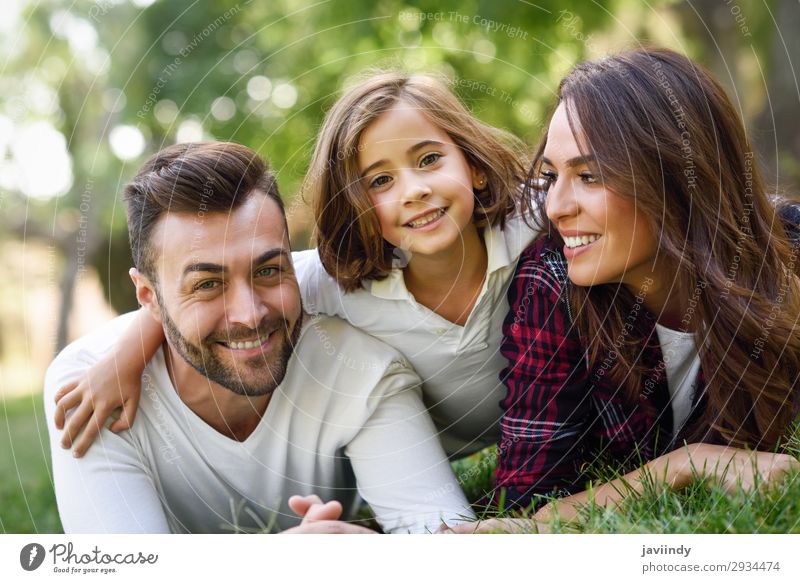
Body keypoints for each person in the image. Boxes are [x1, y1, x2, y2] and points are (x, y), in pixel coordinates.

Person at [53, 71, 538, 461]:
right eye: (381, 180)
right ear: (355, 205)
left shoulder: (534, 228)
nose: (413, 190)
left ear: (472, 164)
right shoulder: (336, 284)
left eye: (430, 159)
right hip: (421, 454)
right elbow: (216, 294)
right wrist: (124, 360)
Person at [449, 47, 800, 533]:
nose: (556, 207)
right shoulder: (553, 281)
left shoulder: (788, 256)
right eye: (552, 176)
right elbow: (525, 508)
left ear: (677, 173)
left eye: (589, 176)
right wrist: (684, 463)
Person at [44, 141, 473, 534]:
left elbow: (442, 541)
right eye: (207, 284)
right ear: (148, 297)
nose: (250, 314)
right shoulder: (90, 388)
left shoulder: (362, 369)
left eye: (268, 271)